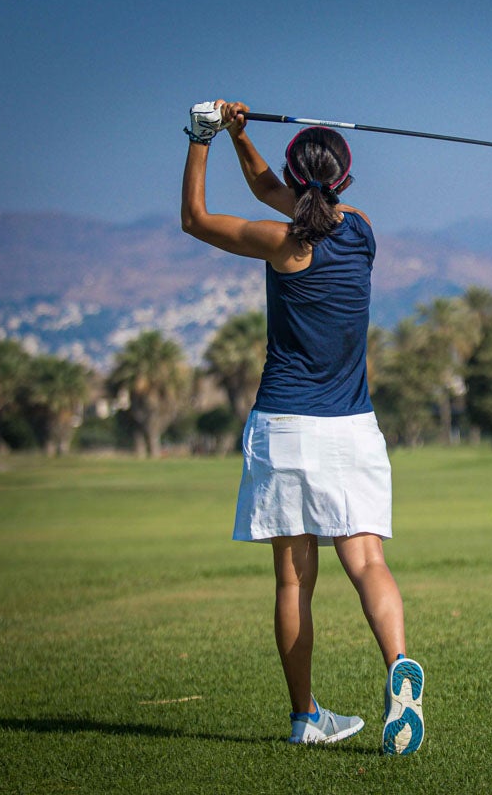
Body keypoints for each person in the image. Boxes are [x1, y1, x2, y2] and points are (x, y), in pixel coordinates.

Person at [180, 99, 424, 755]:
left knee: (294, 581)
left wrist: (201, 137)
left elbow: (196, 219)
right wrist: (240, 134)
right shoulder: (364, 230)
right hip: (353, 428)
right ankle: (398, 662)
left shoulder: (282, 243)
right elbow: (278, 190)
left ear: (297, 181)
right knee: (368, 560)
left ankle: (304, 717)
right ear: (344, 181)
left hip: (286, 428)